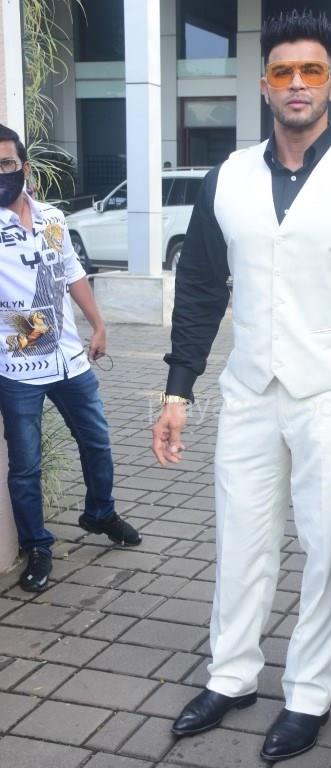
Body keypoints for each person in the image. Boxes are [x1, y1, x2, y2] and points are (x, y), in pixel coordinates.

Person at [153, 10, 331, 763]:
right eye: (283, 72)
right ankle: (232, 676)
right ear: (264, 85)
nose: (297, 84)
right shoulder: (226, 180)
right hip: (248, 390)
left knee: (325, 546)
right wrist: (177, 391)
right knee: (240, 537)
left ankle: (308, 693)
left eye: (311, 71)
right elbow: (200, 289)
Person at [0, 124, 142, 593]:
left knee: (97, 441)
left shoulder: (52, 218)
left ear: (24, 167)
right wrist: (33, 330)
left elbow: (72, 273)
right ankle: (38, 546)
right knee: (26, 466)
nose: (1, 173)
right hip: (17, 367)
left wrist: (97, 323)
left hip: (70, 360)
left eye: (6, 164)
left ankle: (100, 513)